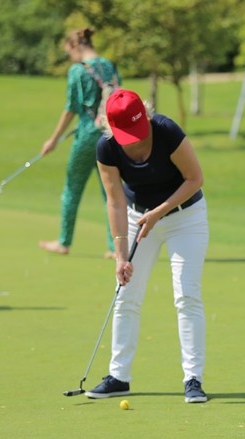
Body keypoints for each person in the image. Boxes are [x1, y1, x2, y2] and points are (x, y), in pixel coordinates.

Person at [85, 89, 209, 403]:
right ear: (111, 127)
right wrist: (120, 255)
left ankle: (193, 379)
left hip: (186, 217)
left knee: (186, 294)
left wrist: (159, 212)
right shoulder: (107, 148)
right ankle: (118, 376)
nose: (136, 139)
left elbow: (194, 178)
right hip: (136, 217)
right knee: (126, 293)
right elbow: (114, 203)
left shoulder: (167, 131)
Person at [40, 27, 120, 258]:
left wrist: (53, 140)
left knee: (72, 188)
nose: (70, 57)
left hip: (86, 135)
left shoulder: (77, 70)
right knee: (111, 192)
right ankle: (114, 247)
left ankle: (64, 241)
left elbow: (70, 109)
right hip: (109, 134)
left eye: (69, 52)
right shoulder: (110, 66)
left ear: (76, 46)